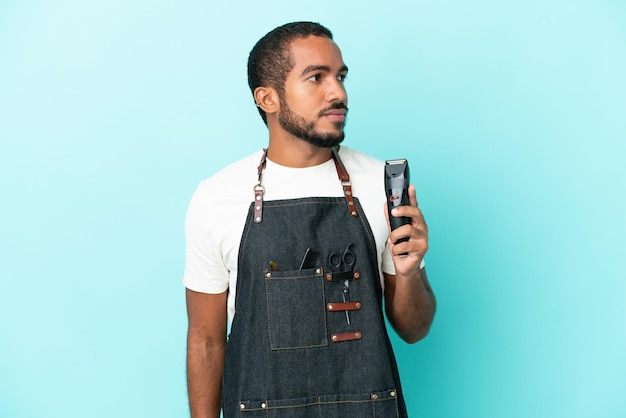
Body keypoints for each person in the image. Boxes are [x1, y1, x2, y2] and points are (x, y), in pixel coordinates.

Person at [184, 21, 436, 418]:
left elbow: (413, 329)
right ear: (268, 98)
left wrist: (409, 272)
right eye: (315, 78)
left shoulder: (378, 184)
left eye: (340, 77)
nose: (338, 92)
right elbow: (206, 340)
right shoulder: (217, 197)